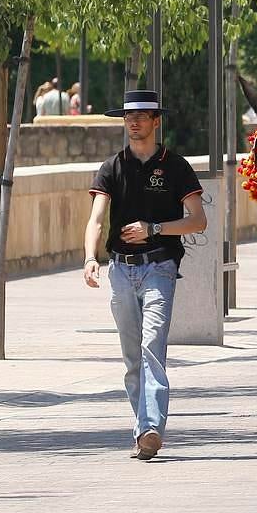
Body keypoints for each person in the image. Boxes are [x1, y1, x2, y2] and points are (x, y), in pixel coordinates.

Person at [83, 90, 209, 461]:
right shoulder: (112, 168)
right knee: (131, 356)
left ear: (157, 121)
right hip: (121, 270)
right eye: (128, 116)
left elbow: (197, 220)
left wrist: (153, 228)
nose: (134, 121)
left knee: (152, 347)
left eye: (142, 115)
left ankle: (150, 428)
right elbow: (96, 218)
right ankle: (143, 426)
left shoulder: (176, 167)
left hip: (159, 268)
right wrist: (90, 257)